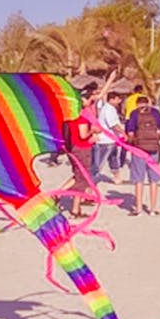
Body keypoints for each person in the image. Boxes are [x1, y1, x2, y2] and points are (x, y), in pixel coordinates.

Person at [63, 83, 101, 218]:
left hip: (75, 148)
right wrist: (93, 131)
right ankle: (73, 209)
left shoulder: (71, 116)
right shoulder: (82, 118)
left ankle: (75, 207)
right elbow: (83, 135)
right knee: (82, 180)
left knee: (79, 177)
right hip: (82, 150)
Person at [126, 96, 160, 216]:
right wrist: (156, 140)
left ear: (137, 104)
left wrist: (131, 142)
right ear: (148, 103)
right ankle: (153, 209)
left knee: (139, 179)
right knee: (154, 180)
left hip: (139, 149)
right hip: (153, 148)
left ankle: (138, 209)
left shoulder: (134, 114)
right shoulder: (156, 113)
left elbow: (130, 133)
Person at [92, 92, 126, 184]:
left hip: (112, 140)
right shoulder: (109, 109)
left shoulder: (110, 108)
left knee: (113, 159)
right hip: (106, 141)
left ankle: (117, 178)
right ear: (112, 99)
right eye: (118, 99)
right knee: (98, 164)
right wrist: (124, 133)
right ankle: (89, 182)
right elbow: (113, 125)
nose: (119, 101)